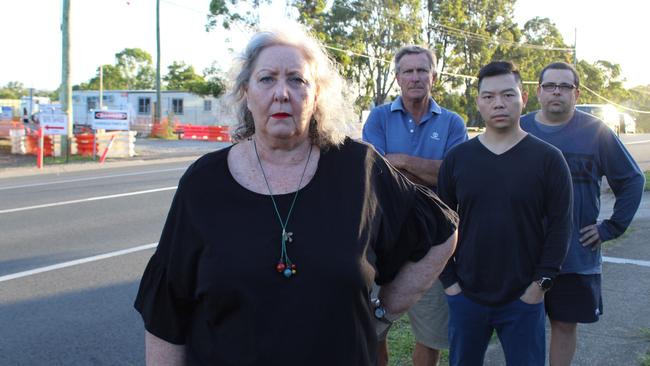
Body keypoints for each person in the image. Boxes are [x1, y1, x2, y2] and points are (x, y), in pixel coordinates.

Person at [134, 23, 458, 366]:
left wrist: (384, 311)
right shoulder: (203, 183)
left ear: (317, 94)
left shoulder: (358, 168)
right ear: (246, 92)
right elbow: (167, 309)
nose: (282, 93)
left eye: (297, 79)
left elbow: (442, 231)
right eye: (267, 79)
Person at [437, 61, 573, 366]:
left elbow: (561, 227)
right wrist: (450, 284)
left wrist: (540, 286)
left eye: (508, 95)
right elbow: (440, 226)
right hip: (466, 297)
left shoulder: (549, 160)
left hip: (524, 298)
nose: (498, 103)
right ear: (478, 103)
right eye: (489, 96)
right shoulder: (457, 159)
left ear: (523, 98)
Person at [520, 61, 645, 366]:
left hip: (575, 255)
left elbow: (632, 180)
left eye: (565, 86)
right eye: (550, 86)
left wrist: (611, 227)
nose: (557, 92)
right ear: (538, 91)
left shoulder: (596, 132)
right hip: (522, 254)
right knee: (523, 326)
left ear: (576, 93)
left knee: (564, 324)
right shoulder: (519, 128)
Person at [362, 45, 467, 366]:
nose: (415, 77)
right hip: (381, 235)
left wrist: (402, 160)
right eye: (408, 71)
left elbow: (452, 176)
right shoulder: (379, 118)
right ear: (397, 78)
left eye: (422, 70)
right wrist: (430, 171)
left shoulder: (452, 123)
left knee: (429, 333)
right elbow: (375, 174)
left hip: (433, 239)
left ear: (433, 76)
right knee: (372, 327)